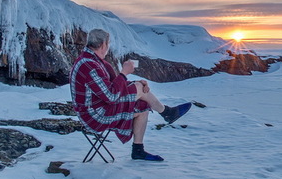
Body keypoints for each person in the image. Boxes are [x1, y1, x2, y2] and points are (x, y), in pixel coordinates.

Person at [69, 28, 191, 161]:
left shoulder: (90, 61)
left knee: (143, 105)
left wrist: (135, 82)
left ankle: (138, 150)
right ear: (103, 45)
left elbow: (109, 88)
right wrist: (124, 73)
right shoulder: (89, 66)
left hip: (98, 109)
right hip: (94, 116)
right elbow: (111, 96)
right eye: (108, 45)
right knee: (138, 88)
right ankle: (167, 113)